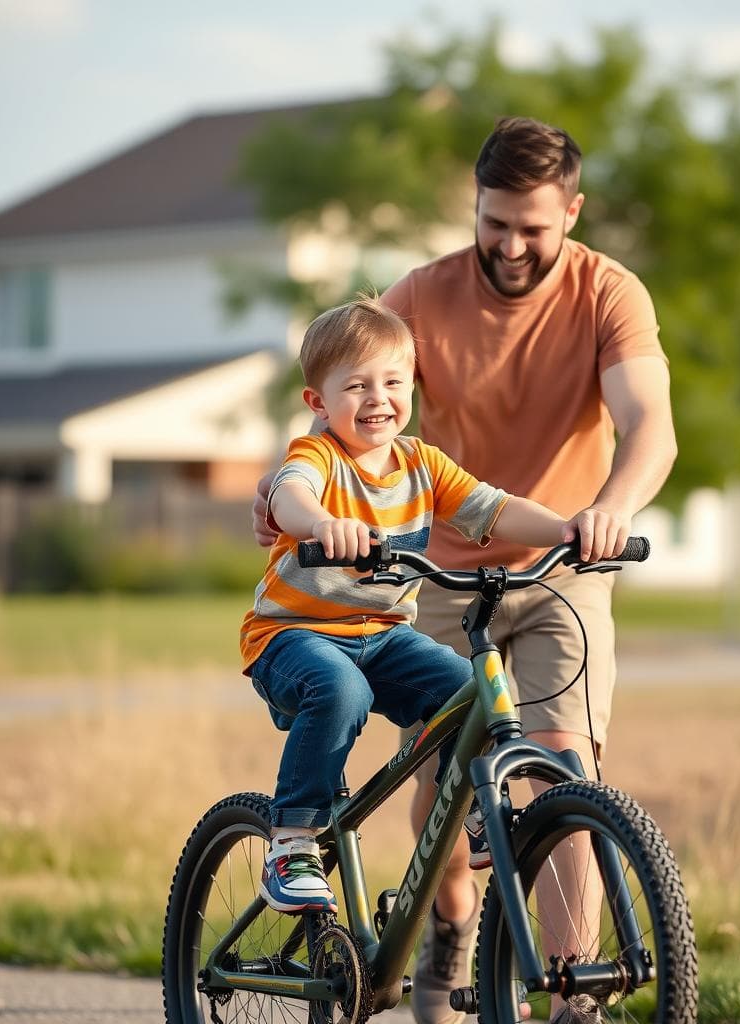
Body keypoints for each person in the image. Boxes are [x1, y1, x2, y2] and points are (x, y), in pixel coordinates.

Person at [252, 118, 676, 1021]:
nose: (513, 245)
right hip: (430, 571)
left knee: (564, 762)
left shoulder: (611, 293)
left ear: (573, 211)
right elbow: (344, 393)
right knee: (440, 771)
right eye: (495, 223)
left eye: (535, 226)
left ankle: (572, 994)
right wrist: (290, 493)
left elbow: (649, 425)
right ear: (475, 207)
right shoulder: (423, 296)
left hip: (564, 558)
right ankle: (449, 921)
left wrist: (607, 511)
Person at [242, 294, 605, 913]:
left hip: (382, 633)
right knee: (342, 692)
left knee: (468, 692)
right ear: (318, 403)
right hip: (293, 636)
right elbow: (289, 497)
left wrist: (569, 530)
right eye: (355, 385)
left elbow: (495, 507)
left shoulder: (421, 463)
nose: (378, 398)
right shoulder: (318, 457)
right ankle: (293, 838)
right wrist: (323, 523)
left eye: (393, 381)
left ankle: (475, 815)